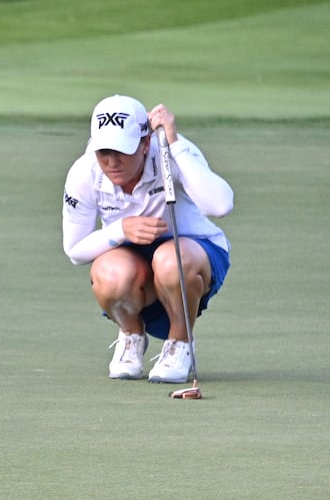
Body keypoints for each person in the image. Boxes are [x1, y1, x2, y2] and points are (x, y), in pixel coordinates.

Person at [61, 94, 234, 383]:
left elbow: (221, 205)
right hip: (133, 260)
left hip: (193, 254)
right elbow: (74, 251)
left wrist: (175, 144)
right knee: (108, 273)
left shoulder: (171, 150)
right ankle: (131, 335)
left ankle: (180, 343)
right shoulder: (85, 172)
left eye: (122, 151)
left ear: (145, 143)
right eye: (104, 151)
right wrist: (121, 230)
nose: (112, 162)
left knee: (170, 260)